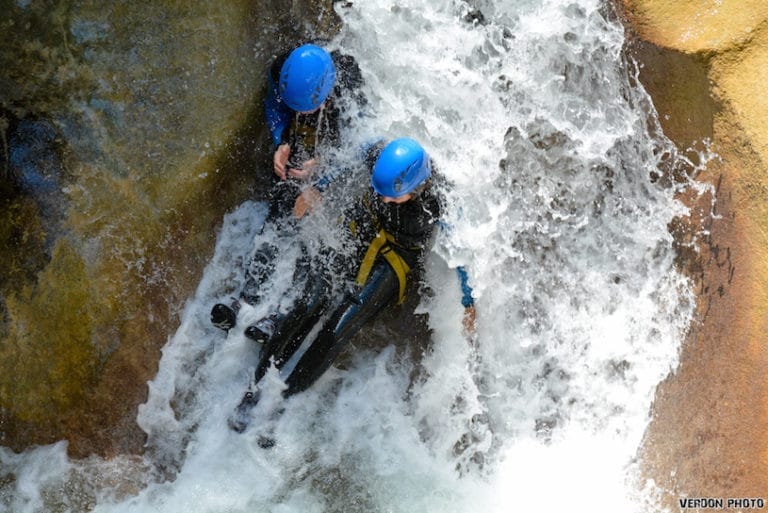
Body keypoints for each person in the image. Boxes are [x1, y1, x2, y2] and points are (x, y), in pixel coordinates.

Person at [228, 137, 476, 433]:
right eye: (381, 192)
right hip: (363, 225)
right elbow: (352, 156)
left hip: (397, 255)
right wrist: (316, 189)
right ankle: (255, 386)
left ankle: (283, 399)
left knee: (339, 326)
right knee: (309, 301)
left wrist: (468, 302)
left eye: (392, 197)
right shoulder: (378, 153)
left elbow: (461, 253)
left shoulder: (439, 199)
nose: (385, 199)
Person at [210, 42, 365, 336]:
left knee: (317, 232)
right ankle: (246, 297)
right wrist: (281, 140)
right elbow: (275, 105)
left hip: (333, 158)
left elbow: (361, 147)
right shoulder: (283, 70)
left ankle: (282, 310)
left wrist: (321, 174)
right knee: (281, 211)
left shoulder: (350, 86)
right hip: (305, 149)